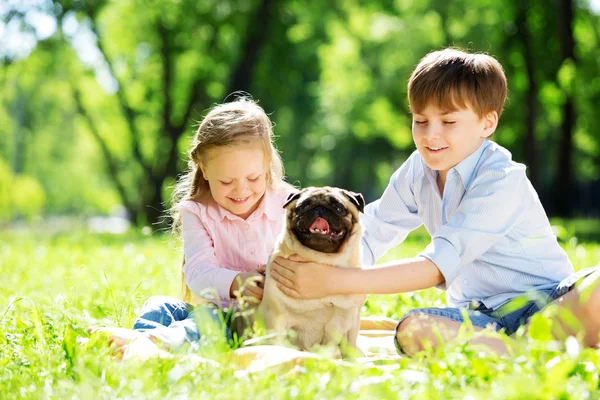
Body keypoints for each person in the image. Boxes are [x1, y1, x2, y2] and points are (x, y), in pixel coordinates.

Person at [270, 48, 600, 356]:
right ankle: (523, 349)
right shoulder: (418, 169)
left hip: (546, 303)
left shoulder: (501, 179)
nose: (431, 135)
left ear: (487, 122)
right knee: (413, 329)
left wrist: (333, 281)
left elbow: (436, 265)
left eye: (449, 121)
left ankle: (522, 345)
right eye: (420, 120)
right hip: (475, 319)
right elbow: (372, 232)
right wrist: (302, 270)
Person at [92, 96, 293, 357]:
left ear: (267, 166)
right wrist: (236, 282)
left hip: (258, 322)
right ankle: (137, 347)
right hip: (212, 310)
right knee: (160, 305)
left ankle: (147, 345)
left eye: (253, 178)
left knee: (208, 320)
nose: (241, 189)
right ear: (205, 170)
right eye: (226, 181)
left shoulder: (289, 205)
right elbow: (198, 272)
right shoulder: (197, 211)